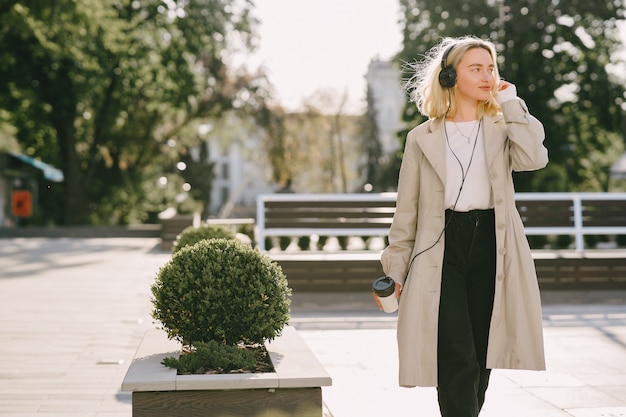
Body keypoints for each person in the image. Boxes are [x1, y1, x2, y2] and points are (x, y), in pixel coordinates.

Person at [373, 35, 548, 417]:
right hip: (440, 247)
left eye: (490, 68)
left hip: (493, 245)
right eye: (476, 68)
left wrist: (511, 102)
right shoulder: (421, 138)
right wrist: (396, 269)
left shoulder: (504, 126)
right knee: (456, 354)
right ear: (451, 76)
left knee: (484, 353)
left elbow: (534, 158)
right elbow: (407, 211)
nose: (487, 76)